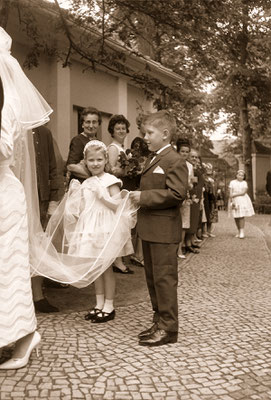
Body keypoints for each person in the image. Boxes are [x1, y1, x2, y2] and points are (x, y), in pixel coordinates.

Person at [0, 27, 52, 369]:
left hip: (4, 197)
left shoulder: (6, 97)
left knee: (8, 268)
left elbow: (4, 148)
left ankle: (24, 336)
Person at [130, 110, 188, 347]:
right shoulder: (154, 158)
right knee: (153, 279)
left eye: (150, 133)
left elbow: (177, 194)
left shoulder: (175, 160)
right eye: (145, 132)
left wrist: (143, 197)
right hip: (151, 229)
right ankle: (159, 320)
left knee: (165, 280)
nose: (145, 137)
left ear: (165, 134)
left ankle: (169, 328)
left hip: (164, 232)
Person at [64, 140, 134, 323]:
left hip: (106, 229)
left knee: (106, 268)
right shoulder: (86, 182)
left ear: (105, 161)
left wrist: (102, 196)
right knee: (96, 269)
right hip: (91, 229)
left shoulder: (111, 181)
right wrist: (74, 200)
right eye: (91, 160)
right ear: (85, 162)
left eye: (99, 160)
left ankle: (109, 306)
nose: (95, 164)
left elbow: (118, 205)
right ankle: (98, 303)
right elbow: (85, 208)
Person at [32, 125, 64, 313]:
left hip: (41, 199)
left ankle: (38, 296)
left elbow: (55, 167)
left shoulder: (44, 132)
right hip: (13, 196)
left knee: (38, 246)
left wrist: (53, 200)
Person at [107, 114, 134, 274]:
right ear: (112, 131)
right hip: (116, 190)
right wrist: (126, 169)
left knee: (123, 225)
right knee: (118, 225)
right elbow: (110, 171)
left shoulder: (123, 148)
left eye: (123, 128)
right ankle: (117, 261)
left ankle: (119, 259)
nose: (121, 131)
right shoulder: (113, 148)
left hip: (125, 188)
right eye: (118, 128)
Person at [66, 107, 101, 182]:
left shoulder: (98, 142)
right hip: (81, 185)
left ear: (98, 124)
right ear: (82, 124)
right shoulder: (78, 140)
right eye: (88, 122)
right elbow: (71, 166)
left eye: (94, 122)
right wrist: (92, 176)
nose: (91, 126)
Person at [176, 138, 194, 259]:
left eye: (187, 152)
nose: (185, 154)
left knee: (184, 224)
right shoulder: (174, 163)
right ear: (178, 152)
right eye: (182, 151)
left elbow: (191, 183)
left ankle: (179, 249)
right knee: (175, 223)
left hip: (185, 196)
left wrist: (189, 185)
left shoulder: (190, 166)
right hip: (175, 195)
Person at [228, 169, 255, 238]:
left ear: (244, 177)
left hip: (242, 200)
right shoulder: (232, 182)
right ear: (236, 175)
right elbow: (230, 191)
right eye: (239, 175)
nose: (240, 176)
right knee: (236, 216)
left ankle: (242, 231)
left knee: (241, 216)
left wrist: (234, 195)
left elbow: (243, 193)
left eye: (242, 176)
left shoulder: (244, 183)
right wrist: (231, 198)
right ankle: (239, 231)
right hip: (234, 200)